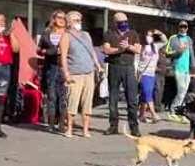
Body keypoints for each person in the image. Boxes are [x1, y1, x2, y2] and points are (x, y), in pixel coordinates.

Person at [60, 11, 102, 139]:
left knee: (87, 102)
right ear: (69, 22)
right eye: (76, 20)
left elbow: (92, 51)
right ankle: (69, 129)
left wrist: (98, 65)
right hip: (75, 74)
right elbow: (63, 57)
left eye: (80, 20)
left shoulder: (86, 35)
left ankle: (85, 130)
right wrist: (66, 73)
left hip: (89, 73)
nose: (79, 22)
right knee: (73, 102)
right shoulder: (66, 36)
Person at [102, 12, 141, 136]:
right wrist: (119, 50)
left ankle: (134, 127)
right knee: (113, 98)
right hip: (114, 67)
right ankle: (113, 126)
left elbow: (138, 49)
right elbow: (106, 49)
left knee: (132, 99)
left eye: (125, 21)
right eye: (120, 22)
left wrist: (128, 46)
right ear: (115, 23)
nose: (124, 24)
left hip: (128, 68)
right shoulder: (109, 33)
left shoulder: (133, 33)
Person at [38, 10, 67, 132]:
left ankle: (61, 124)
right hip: (51, 67)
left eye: (64, 18)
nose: (61, 20)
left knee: (63, 97)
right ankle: (50, 123)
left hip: (64, 67)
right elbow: (39, 49)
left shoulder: (67, 33)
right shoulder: (47, 33)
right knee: (51, 96)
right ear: (54, 18)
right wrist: (47, 52)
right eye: (59, 17)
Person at [166, 20, 195, 123]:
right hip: (177, 68)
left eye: (185, 26)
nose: (183, 28)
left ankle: (180, 112)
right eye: (181, 26)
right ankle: (173, 111)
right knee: (181, 91)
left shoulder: (189, 39)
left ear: (187, 28)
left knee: (184, 92)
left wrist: (193, 65)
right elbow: (167, 52)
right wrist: (179, 50)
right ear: (178, 27)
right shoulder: (173, 38)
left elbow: (191, 53)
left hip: (186, 70)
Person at [138, 30, 160, 124]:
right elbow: (138, 59)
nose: (149, 37)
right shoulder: (141, 47)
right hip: (144, 73)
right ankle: (153, 114)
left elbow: (165, 40)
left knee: (145, 95)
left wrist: (158, 33)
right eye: (148, 35)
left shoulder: (156, 46)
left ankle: (141, 115)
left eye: (151, 36)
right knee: (148, 94)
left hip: (152, 73)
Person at [154, 30, 169, 112]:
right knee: (157, 90)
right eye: (164, 48)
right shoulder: (157, 53)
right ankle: (156, 106)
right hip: (157, 74)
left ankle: (158, 105)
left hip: (163, 74)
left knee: (161, 90)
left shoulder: (164, 56)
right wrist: (156, 68)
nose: (165, 49)